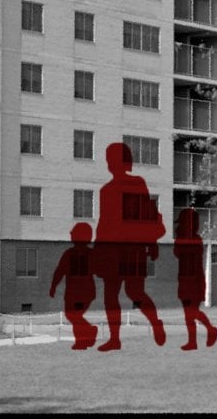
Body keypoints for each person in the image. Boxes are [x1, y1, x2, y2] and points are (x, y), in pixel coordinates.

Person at [94, 142, 166, 351]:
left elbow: (145, 215)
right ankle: (115, 338)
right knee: (111, 295)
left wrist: (150, 243)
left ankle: (156, 324)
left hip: (133, 249)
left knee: (135, 292)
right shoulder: (105, 190)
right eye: (109, 158)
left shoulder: (136, 184)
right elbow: (103, 224)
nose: (110, 163)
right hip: (113, 249)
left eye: (112, 158)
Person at [174, 207, 217, 351]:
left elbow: (184, 253)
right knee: (188, 314)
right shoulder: (182, 239)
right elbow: (177, 253)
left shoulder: (195, 239)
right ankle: (192, 341)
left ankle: (210, 329)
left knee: (192, 311)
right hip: (184, 279)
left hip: (194, 280)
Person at [49, 222, 98, 350]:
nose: (70, 234)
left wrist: (53, 286)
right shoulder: (89, 253)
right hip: (83, 292)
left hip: (78, 293)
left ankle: (85, 337)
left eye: (73, 232)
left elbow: (59, 271)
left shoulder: (70, 254)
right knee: (75, 316)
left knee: (73, 315)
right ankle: (84, 339)